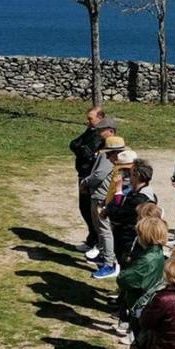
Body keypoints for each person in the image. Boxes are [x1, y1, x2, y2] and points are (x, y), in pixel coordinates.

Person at [116, 215, 169, 337]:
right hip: (142, 302)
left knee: (141, 337)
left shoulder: (148, 260)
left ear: (145, 237)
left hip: (141, 304)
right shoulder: (155, 252)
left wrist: (124, 272)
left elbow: (125, 279)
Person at [103, 159, 158, 268]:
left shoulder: (139, 200)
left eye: (131, 174)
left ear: (136, 175)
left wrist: (118, 190)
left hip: (130, 244)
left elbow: (116, 215)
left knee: (127, 272)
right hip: (128, 241)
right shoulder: (142, 193)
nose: (128, 177)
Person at [83, 134, 125, 275]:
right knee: (102, 230)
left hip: (106, 201)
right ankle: (104, 257)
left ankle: (109, 264)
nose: (106, 157)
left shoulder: (122, 167)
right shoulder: (117, 165)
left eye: (109, 154)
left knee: (105, 231)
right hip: (105, 199)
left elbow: (117, 189)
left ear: (116, 153)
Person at [71, 108, 108, 254]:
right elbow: (73, 144)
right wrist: (81, 148)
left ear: (100, 118)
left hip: (90, 175)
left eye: (90, 119)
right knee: (84, 208)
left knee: (91, 210)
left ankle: (98, 243)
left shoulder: (100, 135)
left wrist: (82, 150)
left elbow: (86, 153)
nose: (88, 121)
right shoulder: (90, 131)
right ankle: (92, 238)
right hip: (82, 174)